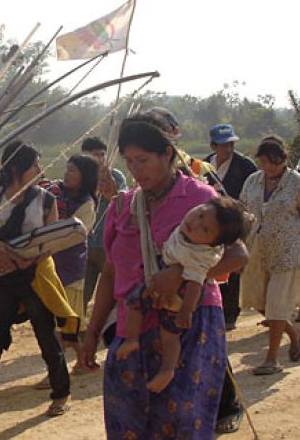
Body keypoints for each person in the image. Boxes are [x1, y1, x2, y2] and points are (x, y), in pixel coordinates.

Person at [80, 112, 248, 440]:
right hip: (132, 327)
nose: (136, 170)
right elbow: (112, 272)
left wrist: (183, 277)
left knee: (184, 423)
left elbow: (238, 254)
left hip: (190, 325)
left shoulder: (200, 199)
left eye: (143, 160)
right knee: (129, 425)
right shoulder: (122, 207)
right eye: (129, 162)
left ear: (167, 154)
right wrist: (92, 332)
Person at [0, 141, 75, 436]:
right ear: (17, 168)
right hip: (2, 279)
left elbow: (52, 241)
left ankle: (61, 394)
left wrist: (29, 258)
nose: (40, 170)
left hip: (35, 277)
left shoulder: (47, 201)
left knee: (47, 338)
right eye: (34, 165)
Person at [117, 197, 249, 393]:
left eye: (204, 229)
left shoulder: (200, 256)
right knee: (134, 302)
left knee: (169, 334)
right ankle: (132, 339)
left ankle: (167, 369)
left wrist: (186, 311)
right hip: (159, 278)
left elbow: (196, 283)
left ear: (213, 242)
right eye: (200, 213)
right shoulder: (185, 232)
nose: (195, 222)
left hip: (181, 295)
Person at [239, 135, 300, 374]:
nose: (268, 167)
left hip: (288, 252)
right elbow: (244, 213)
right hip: (258, 251)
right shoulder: (252, 182)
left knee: (276, 304)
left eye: (272, 161)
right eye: (263, 161)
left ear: (283, 159)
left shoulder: (298, 183)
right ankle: (293, 333)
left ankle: (272, 358)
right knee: (260, 302)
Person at [41, 153, 98, 373]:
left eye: (72, 171)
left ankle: (55, 373)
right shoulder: (55, 194)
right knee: (65, 324)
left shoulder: (86, 204)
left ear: (85, 177)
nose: (66, 174)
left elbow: (73, 234)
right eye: (66, 169)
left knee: (64, 323)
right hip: (52, 265)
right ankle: (83, 358)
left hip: (70, 268)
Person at [205, 124, 259, 331]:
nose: (228, 149)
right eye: (223, 145)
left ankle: (230, 312)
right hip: (212, 223)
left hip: (236, 221)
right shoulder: (204, 165)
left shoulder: (245, 166)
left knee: (233, 266)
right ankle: (217, 308)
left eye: (231, 144)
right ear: (213, 145)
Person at [80, 137, 127, 314]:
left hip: (108, 245)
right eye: (94, 155)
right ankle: (75, 334)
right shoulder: (80, 177)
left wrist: (110, 191)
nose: (99, 159)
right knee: (81, 294)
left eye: (102, 155)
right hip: (85, 244)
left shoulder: (115, 176)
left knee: (114, 294)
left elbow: (122, 201)